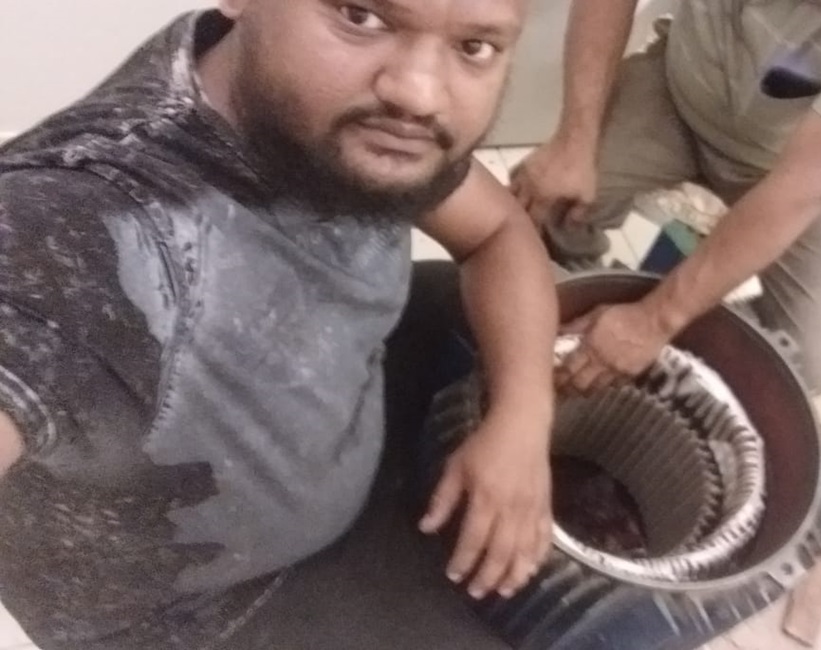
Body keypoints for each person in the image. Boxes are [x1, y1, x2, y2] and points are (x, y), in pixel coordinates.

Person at [0, 1, 559, 649]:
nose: (420, 94)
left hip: (327, 423)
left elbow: (498, 231)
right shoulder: (70, 233)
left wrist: (523, 419)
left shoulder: (337, 111)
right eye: (361, 15)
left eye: (474, 47)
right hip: (211, 609)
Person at [513, 0, 821, 393]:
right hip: (677, 89)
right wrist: (573, 142)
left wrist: (656, 320)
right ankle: (574, 296)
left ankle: (649, 361)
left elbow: (807, 182)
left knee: (804, 360)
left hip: (790, 158)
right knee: (542, 205)